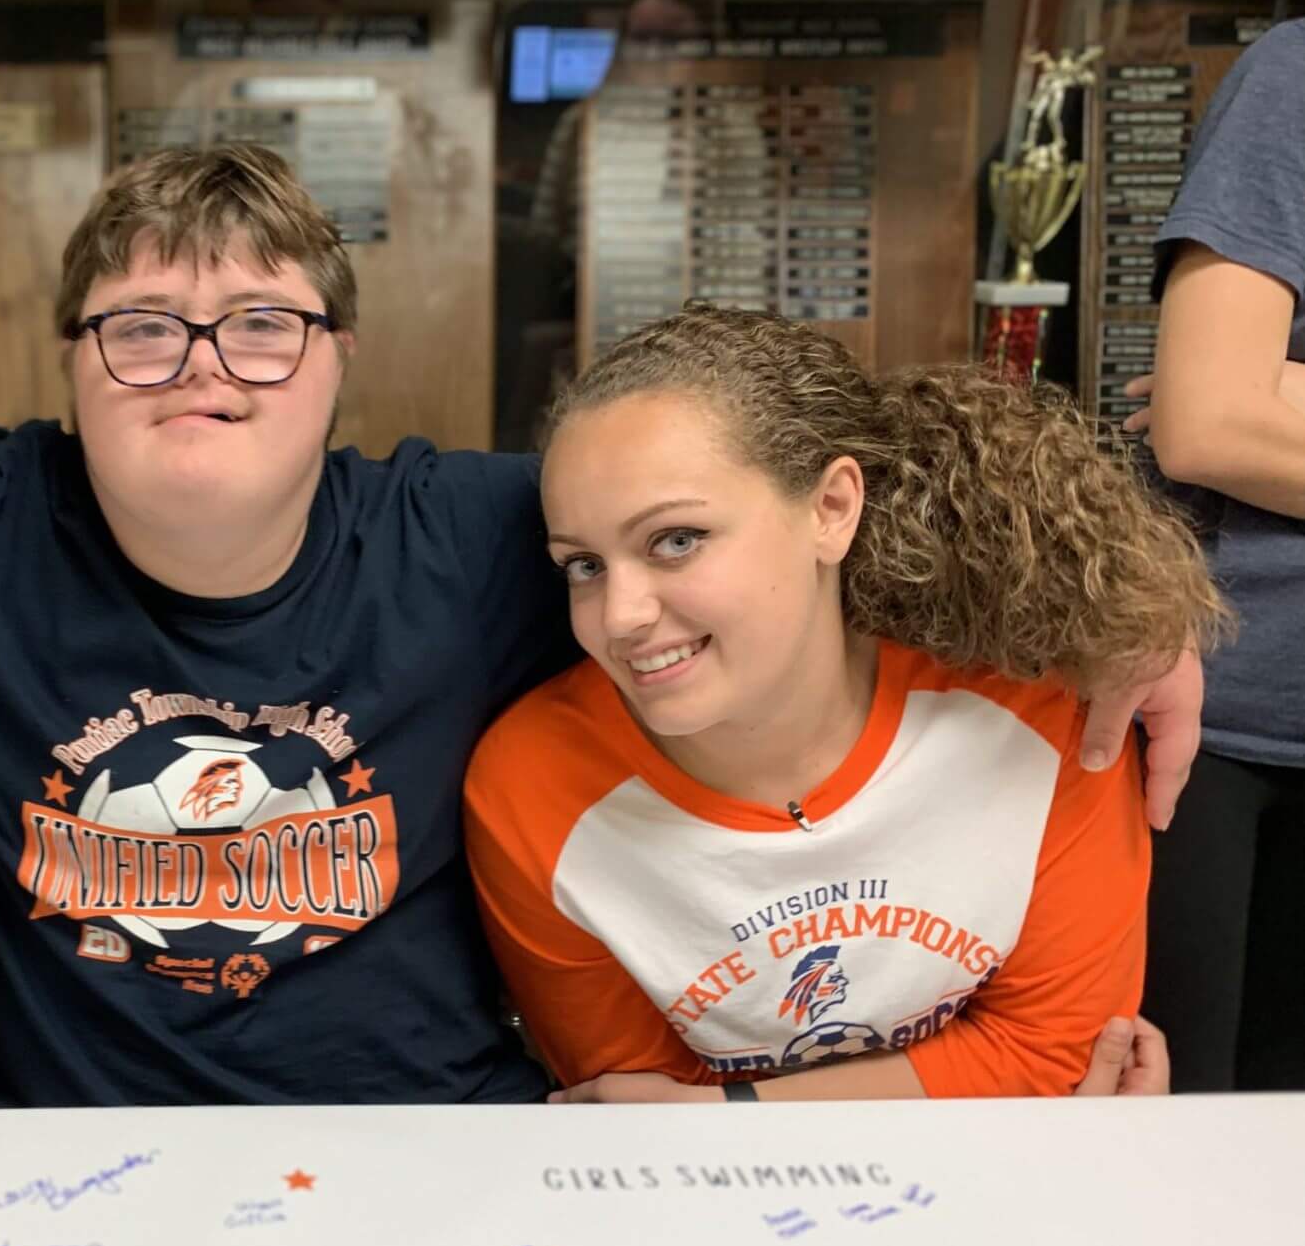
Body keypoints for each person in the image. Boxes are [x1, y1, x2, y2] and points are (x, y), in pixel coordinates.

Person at [0, 146, 1203, 1108]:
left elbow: (792, 466)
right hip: (58, 1151)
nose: (203, 367)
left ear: (339, 363)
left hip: (436, 1147)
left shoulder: (482, 528)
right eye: (141, 327)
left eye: (261, 323)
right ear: (69, 375)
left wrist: (1125, 607)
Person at [464, 306, 1227, 1103]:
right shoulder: (532, 789)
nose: (619, 616)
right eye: (583, 565)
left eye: (676, 540)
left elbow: (1062, 1057)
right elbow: (639, 1119)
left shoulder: (1039, 708)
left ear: (832, 509)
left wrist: (734, 1110)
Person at [1122, 19, 1305, 1093]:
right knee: (1175, 1151)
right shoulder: (1296, 76)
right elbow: (1209, 421)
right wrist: (1251, 395)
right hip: (1221, 734)